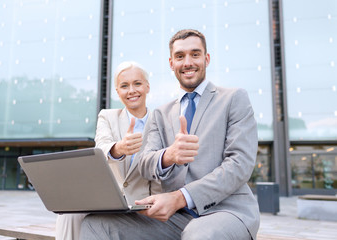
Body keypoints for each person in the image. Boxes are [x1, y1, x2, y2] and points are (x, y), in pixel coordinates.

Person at [80, 29, 260, 240]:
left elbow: (240, 164)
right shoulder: (160, 113)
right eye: (180, 56)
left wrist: (180, 197)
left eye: (195, 54)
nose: (188, 62)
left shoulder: (233, 99)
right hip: (175, 218)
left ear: (206, 58)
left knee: (199, 234)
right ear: (171, 63)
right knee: (95, 224)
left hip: (226, 211)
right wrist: (169, 156)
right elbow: (145, 163)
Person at [56, 61, 161, 240]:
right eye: (124, 86)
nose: (131, 91)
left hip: (143, 204)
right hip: (110, 200)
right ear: (117, 91)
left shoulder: (161, 120)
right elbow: (101, 147)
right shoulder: (107, 116)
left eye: (137, 83)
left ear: (147, 87)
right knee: (68, 214)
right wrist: (119, 148)